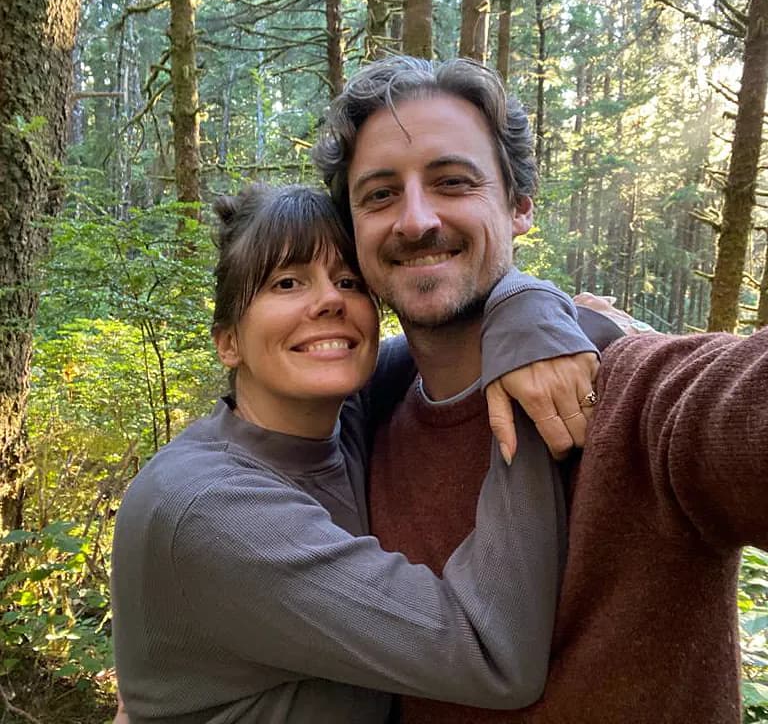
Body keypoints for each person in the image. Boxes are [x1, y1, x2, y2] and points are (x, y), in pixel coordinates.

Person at [311, 54, 768, 724]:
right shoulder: (356, 416)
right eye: (379, 194)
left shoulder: (635, 396)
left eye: (452, 181)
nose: (414, 220)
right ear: (352, 231)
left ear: (520, 206)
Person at [111, 183, 606, 723]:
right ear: (228, 341)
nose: (329, 300)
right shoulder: (210, 509)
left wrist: (528, 303)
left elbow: (456, 340)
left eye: (348, 281)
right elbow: (489, 652)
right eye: (287, 282)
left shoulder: (341, 414)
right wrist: (528, 407)